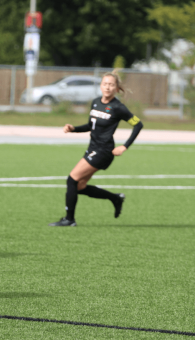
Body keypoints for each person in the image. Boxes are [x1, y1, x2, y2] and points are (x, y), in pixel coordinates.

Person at [49, 71, 143, 227]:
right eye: (105, 84)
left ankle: (69, 219)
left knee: (71, 180)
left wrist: (124, 147)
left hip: (104, 151)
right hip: (93, 148)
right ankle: (115, 198)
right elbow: (90, 126)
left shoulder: (118, 107)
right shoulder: (95, 102)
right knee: (79, 186)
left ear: (116, 88)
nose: (107, 87)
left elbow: (138, 124)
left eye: (111, 84)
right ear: (101, 85)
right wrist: (74, 129)